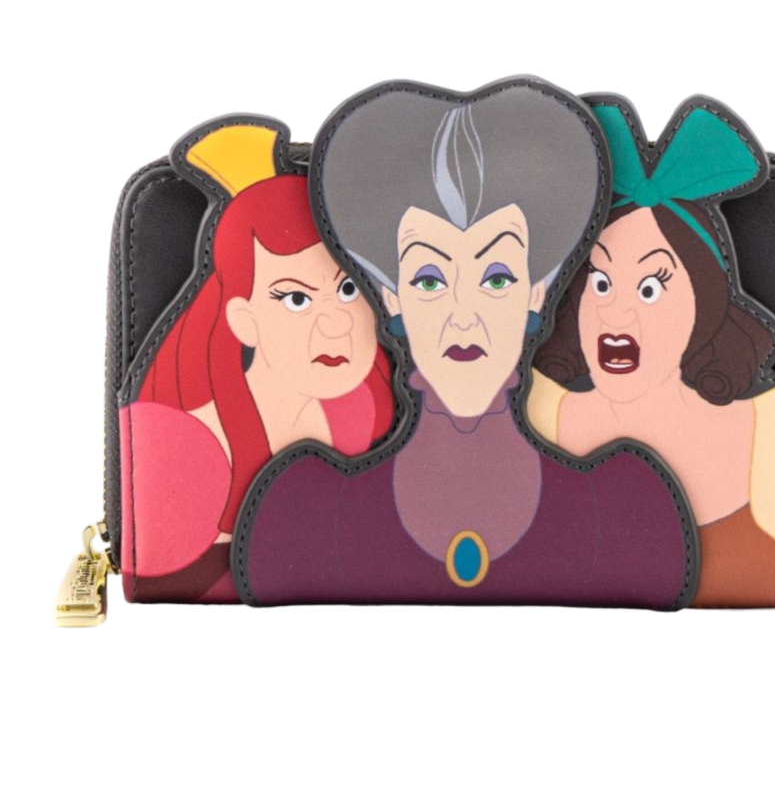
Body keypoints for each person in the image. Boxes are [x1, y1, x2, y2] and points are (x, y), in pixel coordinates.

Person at [235, 79, 697, 609]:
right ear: (390, 296)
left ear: (538, 289)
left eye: (496, 278)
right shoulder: (305, 514)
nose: (463, 315)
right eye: (429, 280)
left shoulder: (626, 510)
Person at [529, 99, 775, 609]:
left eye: (650, 288)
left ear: (704, 304)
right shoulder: (530, 410)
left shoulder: (766, 427)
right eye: (599, 282)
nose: (616, 312)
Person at [120, 120, 394, 604]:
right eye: (295, 298)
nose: (335, 322)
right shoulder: (186, 442)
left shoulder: (358, 416)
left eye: (350, 288)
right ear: (242, 319)